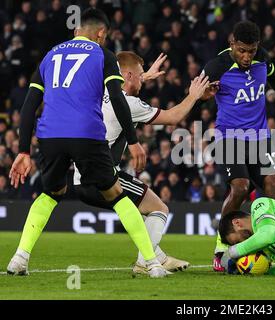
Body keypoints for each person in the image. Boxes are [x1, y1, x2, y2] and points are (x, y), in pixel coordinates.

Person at [7, 9, 165, 278]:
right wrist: (134, 140)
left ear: (76, 30)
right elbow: (117, 97)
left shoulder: (51, 54)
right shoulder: (104, 55)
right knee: (115, 193)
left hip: (50, 135)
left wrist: (23, 150)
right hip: (87, 134)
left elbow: (29, 105)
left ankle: (19, 258)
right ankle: (152, 263)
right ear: (101, 34)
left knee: (51, 193)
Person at [73, 51, 210, 273]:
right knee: (158, 208)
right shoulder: (130, 104)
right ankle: (145, 261)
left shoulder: (100, 91)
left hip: (82, 175)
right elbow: (173, 117)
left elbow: (122, 85)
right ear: (127, 75)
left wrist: (143, 76)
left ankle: (160, 258)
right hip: (101, 176)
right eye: (139, 75)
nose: (143, 80)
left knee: (143, 209)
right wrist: (193, 95)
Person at [201, 21, 275, 271]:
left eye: (251, 51)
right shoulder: (217, 66)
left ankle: (270, 245)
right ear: (232, 43)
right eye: (242, 50)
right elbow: (195, 93)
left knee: (273, 185)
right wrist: (203, 96)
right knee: (240, 188)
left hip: (260, 137)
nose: (246, 56)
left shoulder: (263, 59)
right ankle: (221, 247)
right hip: (229, 136)